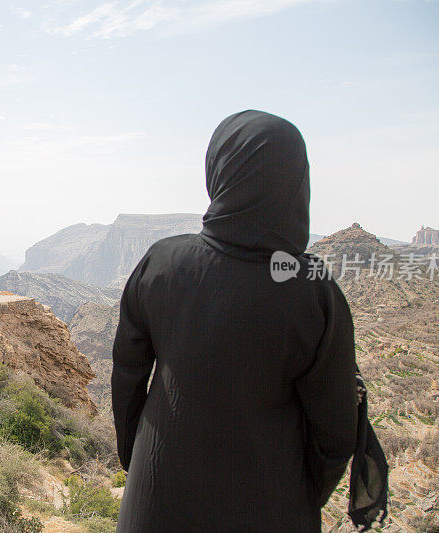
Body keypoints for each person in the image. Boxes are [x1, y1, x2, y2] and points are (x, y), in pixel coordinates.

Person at [112, 110, 359, 532]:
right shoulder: (314, 293)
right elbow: (335, 434)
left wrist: (141, 464)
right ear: (297, 182)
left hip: (157, 503)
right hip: (272, 510)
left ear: (219, 171)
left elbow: (127, 383)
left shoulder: (161, 264)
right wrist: (295, 496)